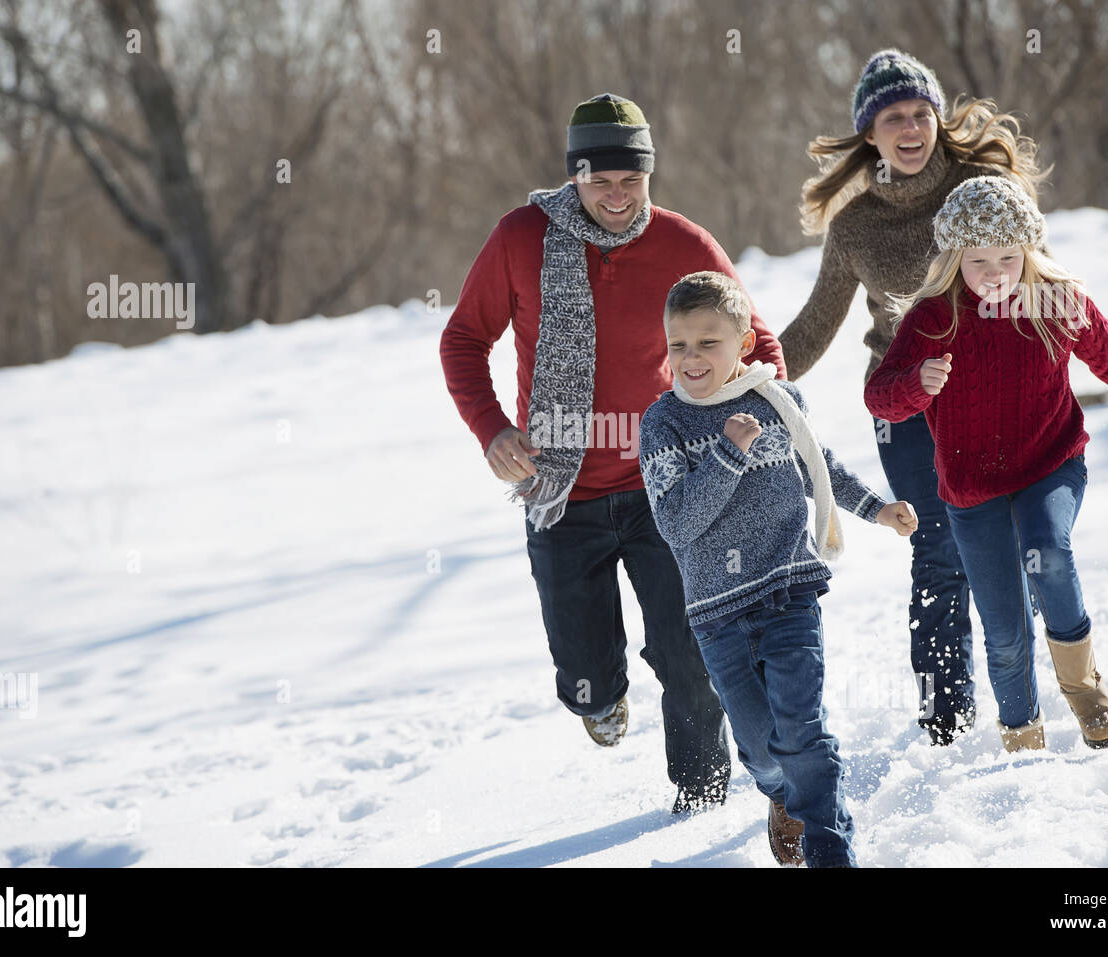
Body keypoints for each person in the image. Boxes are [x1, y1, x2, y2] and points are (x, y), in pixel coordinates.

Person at [439, 93, 788, 812]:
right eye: (601, 182)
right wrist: (492, 428)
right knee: (586, 676)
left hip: (670, 486)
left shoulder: (685, 246)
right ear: (574, 177)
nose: (618, 197)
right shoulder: (520, 239)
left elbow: (757, 343)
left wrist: (762, 411)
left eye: (633, 181)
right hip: (561, 489)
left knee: (689, 657)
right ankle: (597, 698)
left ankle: (700, 803)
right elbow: (463, 341)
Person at [865, 176, 1108, 752]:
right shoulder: (935, 317)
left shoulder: (1055, 301)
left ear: (1029, 251)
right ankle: (1022, 735)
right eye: (978, 260)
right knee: (1003, 630)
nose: (996, 272)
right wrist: (916, 386)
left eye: (1008, 256)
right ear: (955, 259)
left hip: (1049, 463)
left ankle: (1087, 696)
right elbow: (881, 396)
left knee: (1048, 553)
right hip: (972, 490)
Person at [778, 48, 1050, 745]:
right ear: (870, 132)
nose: (909, 127)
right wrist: (747, 373)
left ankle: (1021, 690)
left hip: (991, 391)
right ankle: (946, 716)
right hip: (904, 400)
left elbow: (1037, 271)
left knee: (1004, 538)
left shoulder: (981, 185)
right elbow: (815, 324)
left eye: (920, 113)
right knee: (935, 546)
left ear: (936, 119)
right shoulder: (856, 226)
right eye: (893, 116)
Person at [640, 271, 918, 866]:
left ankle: (828, 848)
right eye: (678, 345)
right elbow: (677, 524)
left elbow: (820, 466)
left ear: (742, 345)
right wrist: (726, 454)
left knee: (802, 733)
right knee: (763, 749)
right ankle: (782, 795)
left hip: (789, 590)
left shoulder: (779, 400)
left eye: (708, 342)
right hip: (717, 613)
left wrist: (876, 508)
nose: (691, 358)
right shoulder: (662, 424)